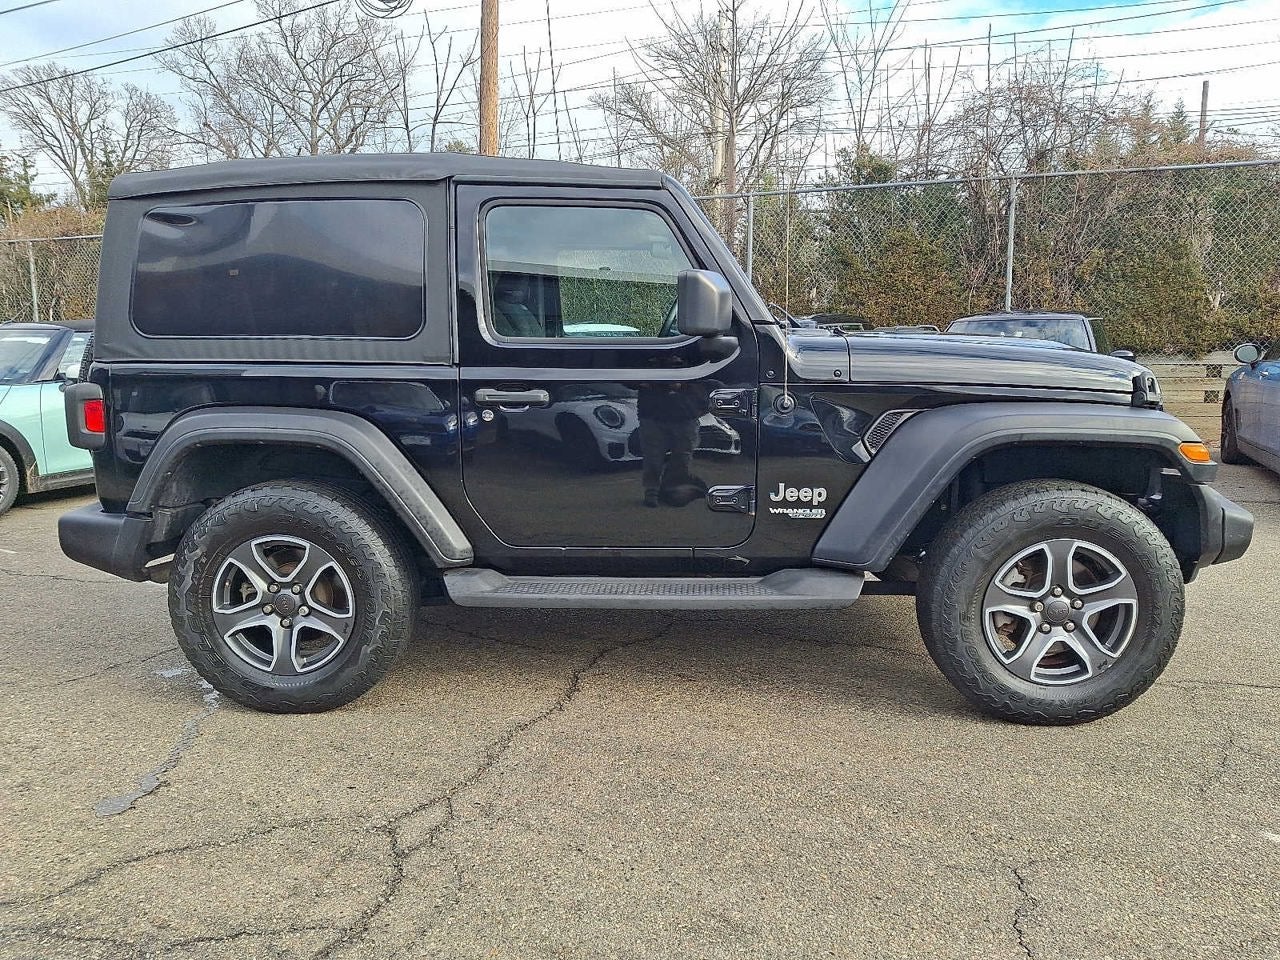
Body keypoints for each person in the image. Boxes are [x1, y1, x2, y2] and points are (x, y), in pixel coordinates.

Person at [635, 381, 709, 507]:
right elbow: (627, 376)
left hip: (685, 413)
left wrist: (684, 385)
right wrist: (642, 382)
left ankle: (671, 487)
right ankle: (652, 490)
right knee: (653, 457)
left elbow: (704, 379)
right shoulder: (646, 366)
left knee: (683, 456)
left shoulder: (693, 368)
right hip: (653, 414)